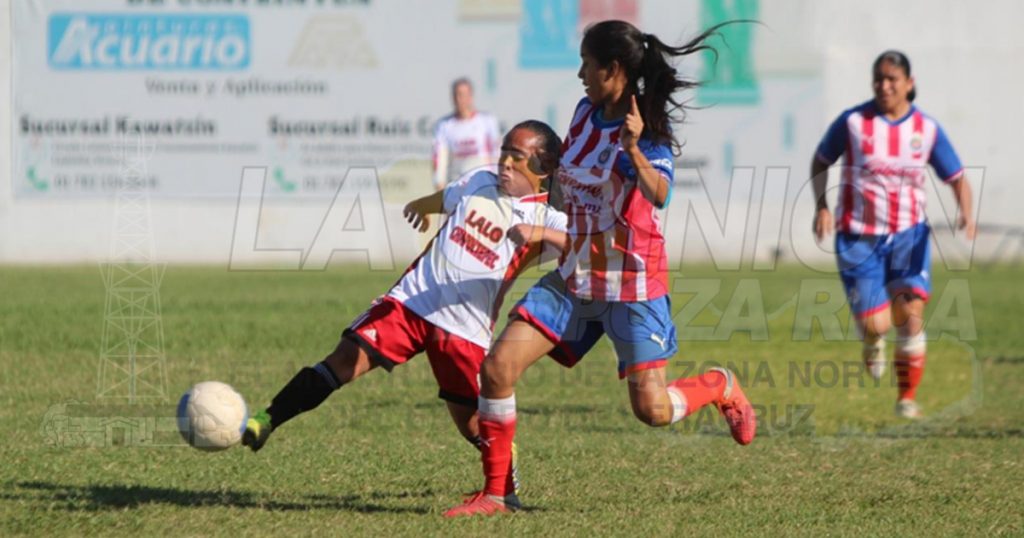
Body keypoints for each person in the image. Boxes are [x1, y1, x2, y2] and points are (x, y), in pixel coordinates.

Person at [444, 20, 757, 518]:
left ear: (613, 70)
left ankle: (719, 385)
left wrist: (633, 148)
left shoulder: (647, 129)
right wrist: (545, 226)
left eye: (588, 65)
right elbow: (567, 182)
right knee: (498, 367)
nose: (580, 74)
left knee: (651, 411)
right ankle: (497, 495)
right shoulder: (585, 113)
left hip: (632, 285)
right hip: (574, 278)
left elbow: (661, 195)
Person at [242, 121, 569, 498]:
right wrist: (423, 206)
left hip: (463, 329)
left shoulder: (547, 218)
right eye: (503, 154)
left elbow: (586, 245)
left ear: (543, 167)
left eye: (517, 157)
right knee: (344, 359)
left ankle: (502, 485)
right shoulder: (480, 179)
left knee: (471, 426)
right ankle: (268, 418)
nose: (504, 164)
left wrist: (544, 235)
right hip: (411, 302)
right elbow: (448, 196)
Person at [811, 50, 975, 419]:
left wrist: (965, 211)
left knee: (911, 316)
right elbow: (821, 159)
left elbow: (957, 176)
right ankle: (872, 342)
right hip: (858, 237)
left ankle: (906, 397)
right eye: (879, 79)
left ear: (909, 84)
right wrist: (822, 205)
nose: (884, 86)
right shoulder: (853, 122)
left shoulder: (926, 130)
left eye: (892, 79)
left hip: (909, 236)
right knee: (877, 324)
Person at [432, 78, 502, 191]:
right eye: (456, 95)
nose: (459, 99)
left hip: (485, 185)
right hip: (458, 185)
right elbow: (440, 157)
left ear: (471, 96)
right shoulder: (444, 125)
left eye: (463, 95)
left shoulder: (487, 121)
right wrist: (439, 183)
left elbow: (496, 152)